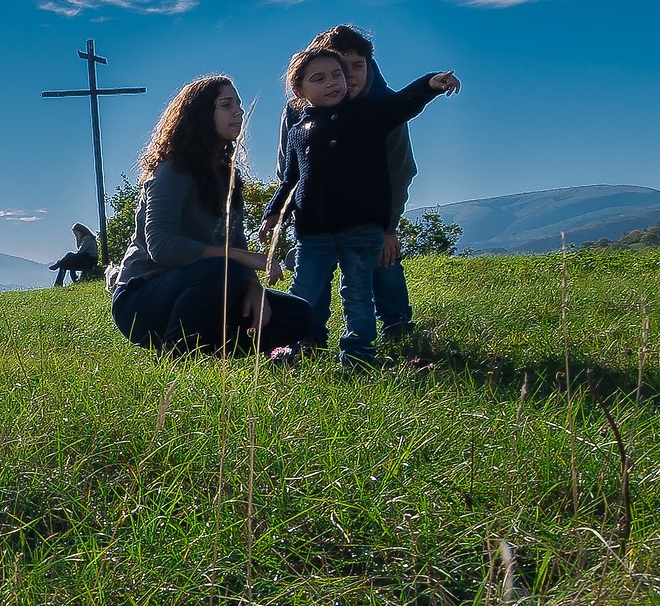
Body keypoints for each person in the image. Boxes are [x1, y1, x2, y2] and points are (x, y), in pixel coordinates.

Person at [262, 48, 460, 362]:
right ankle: (288, 348)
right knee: (303, 292)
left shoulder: (369, 114)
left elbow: (402, 104)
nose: (333, 82)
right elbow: (290, 179)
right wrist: (274, 213)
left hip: (362, 227)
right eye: (319, 78)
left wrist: (430, 84)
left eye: (337, 75)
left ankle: (358, 354)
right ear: (299, 90)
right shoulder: (299, 131)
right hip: (312, 232)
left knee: (357, 294)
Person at [109, 76, 321, 355]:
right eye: (226, 105)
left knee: (299, 314)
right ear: (200, 115)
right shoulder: (172, 169)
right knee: (224, 268)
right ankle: (177, 354)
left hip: (211, 285)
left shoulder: (227, 176)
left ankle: (211, 350)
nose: (239, 112)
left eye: (239, 105)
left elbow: (236, 240)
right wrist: (239, 258)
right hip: (142, 300)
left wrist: (253, 287)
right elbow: (161, 246)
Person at [275, 25, 420, 336]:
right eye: (339, 67)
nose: (349, 76)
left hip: (371, 215)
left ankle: (398, 328)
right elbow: (289, 168)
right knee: (313, 273)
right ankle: (308, 337)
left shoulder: (382, 107)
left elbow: (401, 169)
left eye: (358, 65)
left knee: (383, 258)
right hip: (318, 219)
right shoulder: (298, 113)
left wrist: (390, 226)